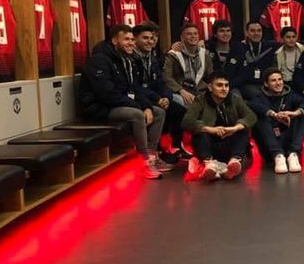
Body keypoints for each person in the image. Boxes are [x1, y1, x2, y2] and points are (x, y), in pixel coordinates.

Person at [78, 24, 170, 179]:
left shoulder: (125, 60)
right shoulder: (99, 60)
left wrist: (147, 105)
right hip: (99, 107)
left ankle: (153, 154)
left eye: (132, 39)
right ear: (115, 41)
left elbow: (134, 88)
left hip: (116, 103)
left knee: (159, 112)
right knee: (136, 114)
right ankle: (145, 160)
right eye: (126, 39)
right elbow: (107, 94)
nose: (131, 43)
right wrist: (139, 107)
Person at [181, 72, 256, 182]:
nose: (224, 89)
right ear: (210, 87)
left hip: (229, 144)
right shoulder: (200, 100)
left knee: (242, 130)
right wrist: (209, 129)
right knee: (199, 132)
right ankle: (209, 164)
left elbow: (251, 116)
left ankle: (234, 161)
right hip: (208, 145)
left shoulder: (235, 99)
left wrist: (235, 127)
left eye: (226, 85)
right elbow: (187, 121)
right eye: (219, 85)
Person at [132, 22, 187, 162]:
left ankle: (175, 146)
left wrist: (167, 97)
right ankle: (155, 151)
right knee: (159, 111)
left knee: (179, 110)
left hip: (154, 96)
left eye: (152, 38)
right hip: (138, 98)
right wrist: (157, 99)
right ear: (135, 38)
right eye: (145, 38)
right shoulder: (131, 58)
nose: (150, 41)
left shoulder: (152, 58)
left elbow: (162, 82)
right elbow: (136, 87)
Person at [249, 67, 304, 174]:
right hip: (270, 148)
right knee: (260, 117)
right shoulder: (259, 97)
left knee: (303, 114)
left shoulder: (290, 94)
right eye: (273, 80)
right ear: (266, 84)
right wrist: (274, 115)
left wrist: (294, 113)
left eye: (280, 79)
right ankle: (278, 155)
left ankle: (294, 154)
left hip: (287, 141)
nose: (278, 83)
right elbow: (254, 105)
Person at [163, 23, 213, 107]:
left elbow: (211, 76)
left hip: (201, 91)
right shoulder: (173, 54)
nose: (193, 36)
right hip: (181, 92)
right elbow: (167, 77)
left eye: (195, 33)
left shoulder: (205, 54)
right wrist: (180, 90)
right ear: (182, 37)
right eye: (189, 34)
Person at [232, 21, 279, 100]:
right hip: (247, 84)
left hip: (265, 83)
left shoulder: (270, 46)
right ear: (247, 32)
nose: (256, 33)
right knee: (258, 95)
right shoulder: (239, 48)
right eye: (252, 31)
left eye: (259, 30)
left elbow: (288, 42)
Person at [206, 20, 240, 87]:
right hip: (212, 87)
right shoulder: (207, 48)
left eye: (228, 31)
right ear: (215, 34)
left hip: (232, 86)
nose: (225, 34)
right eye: (222, 31)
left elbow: (243, 74)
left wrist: (228, 85)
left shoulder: (238, 49)